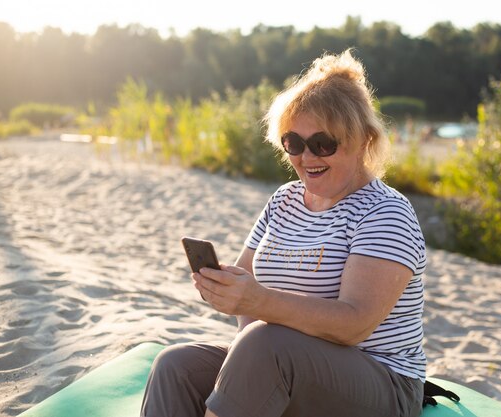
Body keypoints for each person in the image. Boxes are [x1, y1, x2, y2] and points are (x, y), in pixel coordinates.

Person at [140, 49, 427, 417]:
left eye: (323, 143)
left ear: (363, 142)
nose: (307, 157)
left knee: (266, 343)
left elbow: (354, 324)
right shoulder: (285, 200)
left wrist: (258, 306)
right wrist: (229, 293)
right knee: (175, 365)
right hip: (282, 362)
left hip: (382, 383)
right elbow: (248, 283)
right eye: (294, 142)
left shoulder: (385, 211)